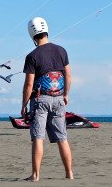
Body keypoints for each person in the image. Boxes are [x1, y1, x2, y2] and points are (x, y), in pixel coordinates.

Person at [21, 17, 74, 181]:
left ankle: (36, 175)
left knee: (38, 137)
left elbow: (29, 84)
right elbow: (68, 75)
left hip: (40, 99)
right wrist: (66, 94)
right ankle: (69, 173)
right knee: (62, 138)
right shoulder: (61, 50)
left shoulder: (32, 55)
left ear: (32, 34)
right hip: (58, 98)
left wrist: (24, 105)